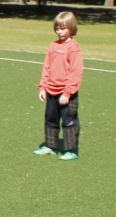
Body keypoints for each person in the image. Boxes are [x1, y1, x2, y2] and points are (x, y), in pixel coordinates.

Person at [33, 10, 83, 160]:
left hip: (67, 94)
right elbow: (46, 67)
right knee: (50, 119)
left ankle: (71, 151)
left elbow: (76, 72)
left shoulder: (73, 48)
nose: (60, 32)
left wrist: (67, 93)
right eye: (57, 28)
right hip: (51, 91)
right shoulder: (53, 46)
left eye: (63, 28)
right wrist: (43, 87)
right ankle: (50, 146)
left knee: (69, 121)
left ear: (71, 28)